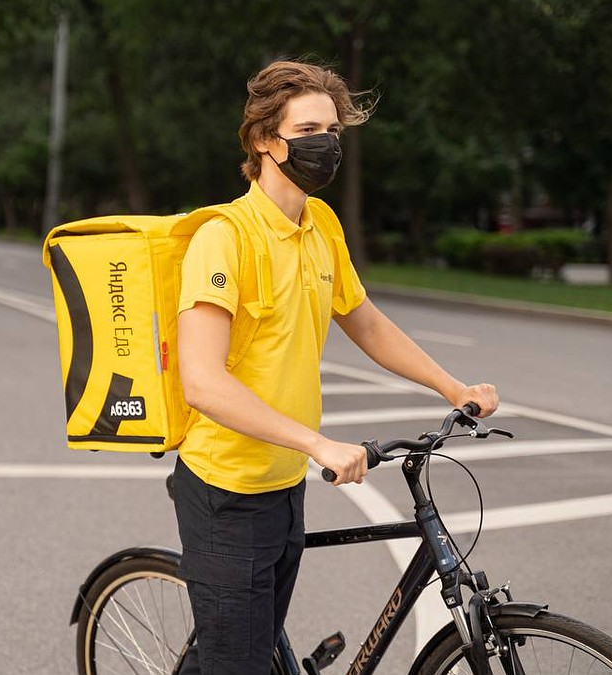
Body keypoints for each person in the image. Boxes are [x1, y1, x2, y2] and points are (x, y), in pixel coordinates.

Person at [172, 59, 500, 674]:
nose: (325, 143)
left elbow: (366, 321)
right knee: (237, 662)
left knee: (244, 650)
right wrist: (317, 442)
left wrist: (452, 387)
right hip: (227, 491)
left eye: (333, 130)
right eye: (309, 129)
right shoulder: (224, 238)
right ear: (266, 141)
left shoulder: (320, 224)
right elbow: (203, 382)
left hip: (284, 483)